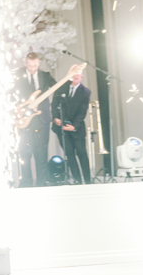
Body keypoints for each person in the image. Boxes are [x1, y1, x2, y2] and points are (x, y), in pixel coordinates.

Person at [15, 52, 56, 188]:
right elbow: (10, 94)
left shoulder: (46, 76)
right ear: (26, 63)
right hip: (24, 119)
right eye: (30, 65)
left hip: (42, 118)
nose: (32, 68)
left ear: (39, 63)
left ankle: (41, 182)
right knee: (24, 153)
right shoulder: (17, 75)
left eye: (35, 65)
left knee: (41, 152)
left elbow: (58, 87)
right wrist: (19, 107)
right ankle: (25, 182)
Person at [52, 70, 91, 184]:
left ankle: (88, 180)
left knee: (81, 153)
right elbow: (54, 104)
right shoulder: (61, 87)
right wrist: (55, 118)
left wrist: (74, 126)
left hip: (76, 128)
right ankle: (77, 179)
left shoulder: (85, 92)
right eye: (72, 74)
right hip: (62, 128)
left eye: (77, 74)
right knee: (69, 154)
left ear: (81, 76)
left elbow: (82, 112)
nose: (74, 76)